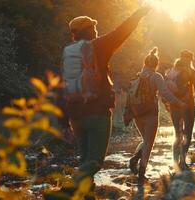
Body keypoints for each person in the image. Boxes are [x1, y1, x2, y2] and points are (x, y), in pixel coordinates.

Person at [56, 7, 150, 197]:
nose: (96, 30)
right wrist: (139, 14)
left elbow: (61, 88)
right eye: (92, 27)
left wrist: (63, 123)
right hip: (97, 113)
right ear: (86, 31)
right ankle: (64, 191)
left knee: (85, 161)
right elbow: (120, 33)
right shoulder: (97, 46)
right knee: (95, 162)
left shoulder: (68, 54)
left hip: (76, 117)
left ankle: (85, 194)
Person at [127, 48, 185, 184]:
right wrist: (178, 102)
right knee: (148, 144)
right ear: (156, 64)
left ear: (144, 63)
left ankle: (135, 159)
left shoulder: (137, 76)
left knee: (144, 140)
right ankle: (141, 174)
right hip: (150, 114)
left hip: (137, 114)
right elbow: (165, 93)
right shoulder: (156, 76)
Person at [165, 50, 195, 170]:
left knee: (177, 134)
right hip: (188, 106)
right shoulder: (192, 72)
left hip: (175, 106)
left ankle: (175, 162)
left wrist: (167, 103)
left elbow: (166, 89)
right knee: (187, 134)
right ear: (190, 60)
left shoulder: (172, 71)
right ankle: (182, 162)